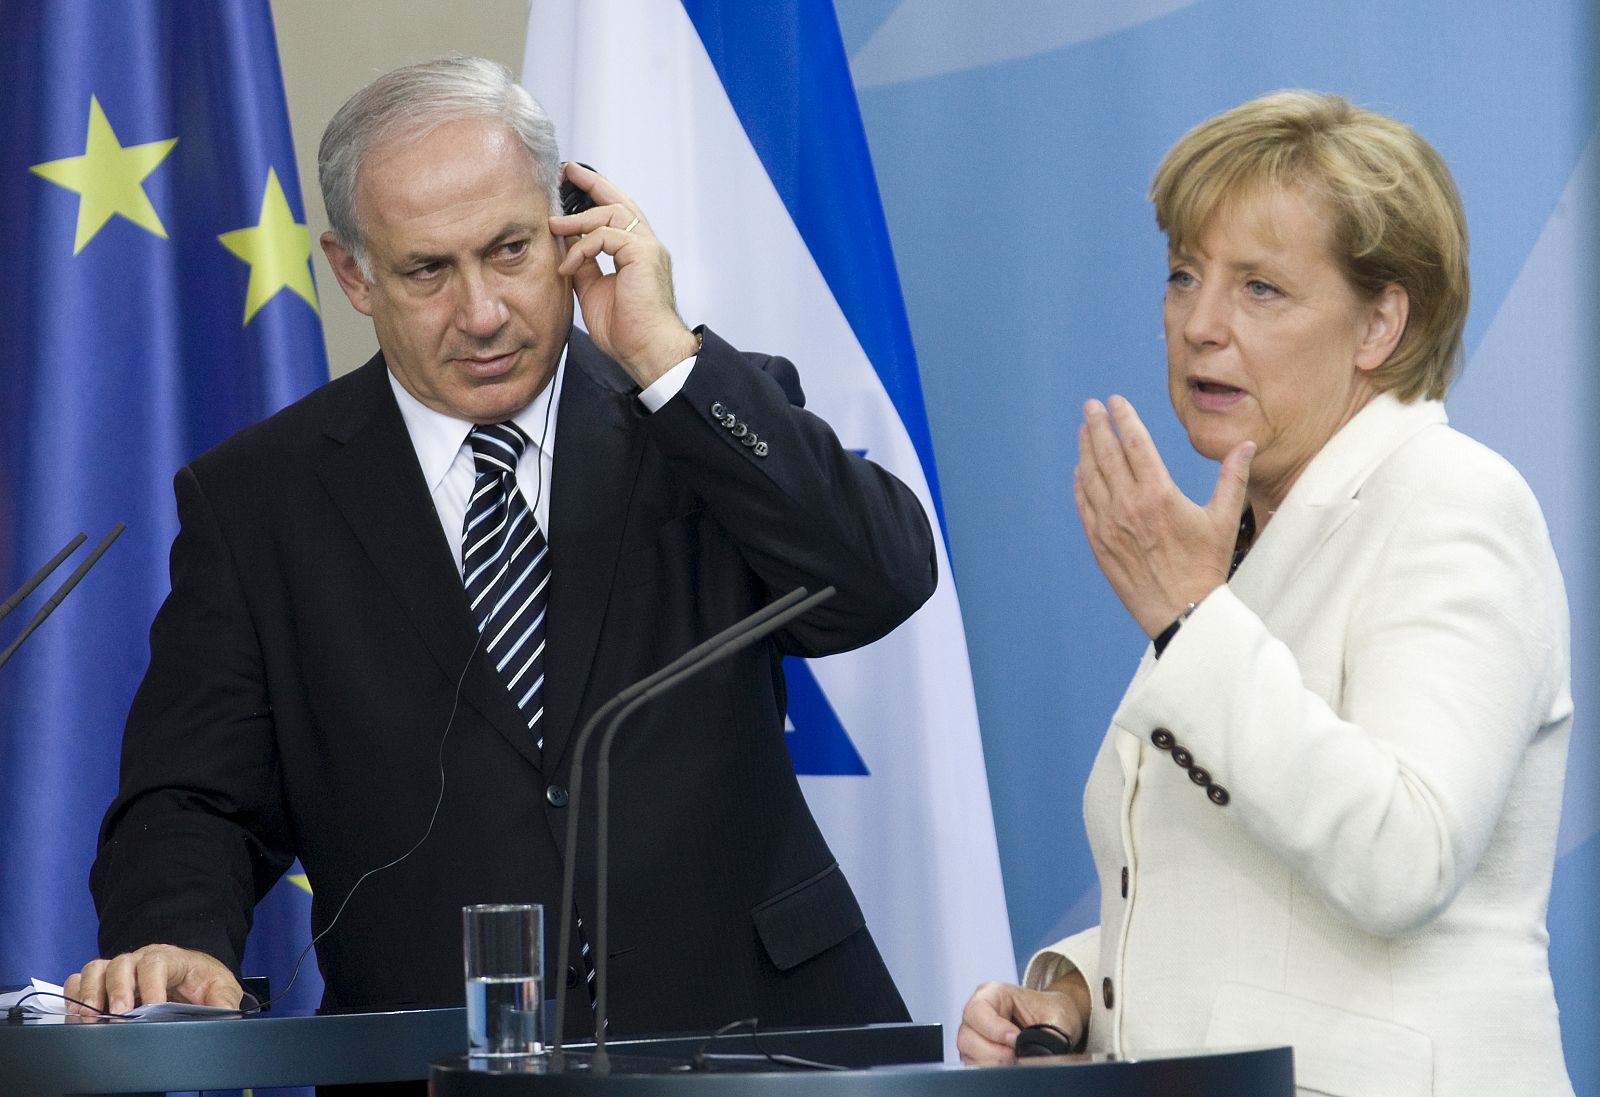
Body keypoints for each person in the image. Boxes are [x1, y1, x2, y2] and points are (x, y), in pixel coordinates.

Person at [67, 56, 931, 1042]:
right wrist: (178, 935)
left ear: (569, 224)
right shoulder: (258, 500)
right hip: (437, 1054)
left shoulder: (692, 411)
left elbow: (880, 581)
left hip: (760, 1042)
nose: (479, 313)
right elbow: (192, 793)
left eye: (510, 250)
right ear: (351, 271)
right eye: (427, 270)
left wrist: (663, 357)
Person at [959, 91, 1573, 1097]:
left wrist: (1189, 620)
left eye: (1259, 289)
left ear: (1380, 320)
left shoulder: (1454, 503)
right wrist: (1078, 988)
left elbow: (1399, 854)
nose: (1198, 325)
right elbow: (1254, 878)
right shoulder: (1253, 532)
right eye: (1183, 276)